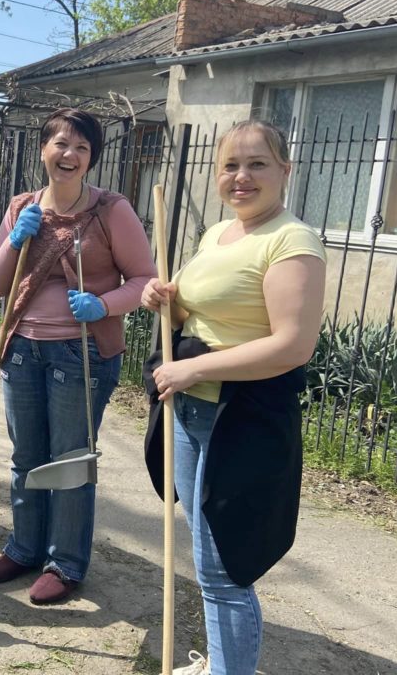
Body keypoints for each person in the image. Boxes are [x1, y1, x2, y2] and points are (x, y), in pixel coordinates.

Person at [140, 120, 327, 674]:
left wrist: (192, 367)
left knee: (225, 572)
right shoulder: (217, 235)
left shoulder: (292, 241)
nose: (241, 177)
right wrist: (165, 301)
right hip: (192, 411)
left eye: (257, 164)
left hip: (240, 421)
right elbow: (197, 317)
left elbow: (293, 346)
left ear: (285, 171)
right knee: (205, 562)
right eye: (230, 166)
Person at [0, 107, 156, 605]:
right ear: (43, 149)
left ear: (91, 158)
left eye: (81, 147)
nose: (70, 154)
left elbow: (145, 279)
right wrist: (15, 241)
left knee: (71, 460)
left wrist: (102, 303)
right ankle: (24, 547)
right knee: (26, 457)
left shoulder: (110, 211)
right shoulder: (21, 207)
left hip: (80, 354)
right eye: (61, 143)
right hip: (21, 350)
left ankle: (66, 562)